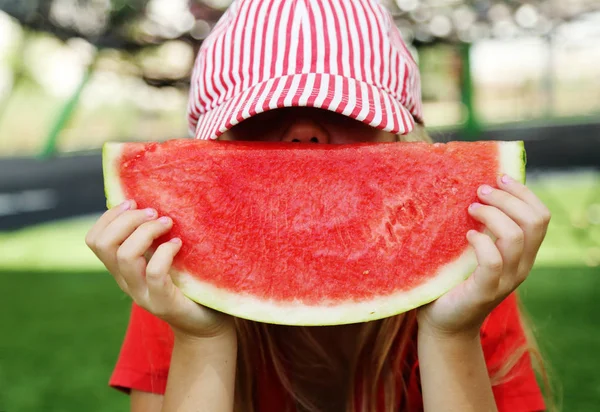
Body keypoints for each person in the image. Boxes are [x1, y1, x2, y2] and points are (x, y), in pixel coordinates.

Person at [85, 0, 552, 411]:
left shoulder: (470, 284)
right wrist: (200, 337)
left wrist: (451, 334)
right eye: (263, 114)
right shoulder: (174, 284)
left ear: (400, 136)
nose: (304, 134)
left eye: (342, 110)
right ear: (215, 141)